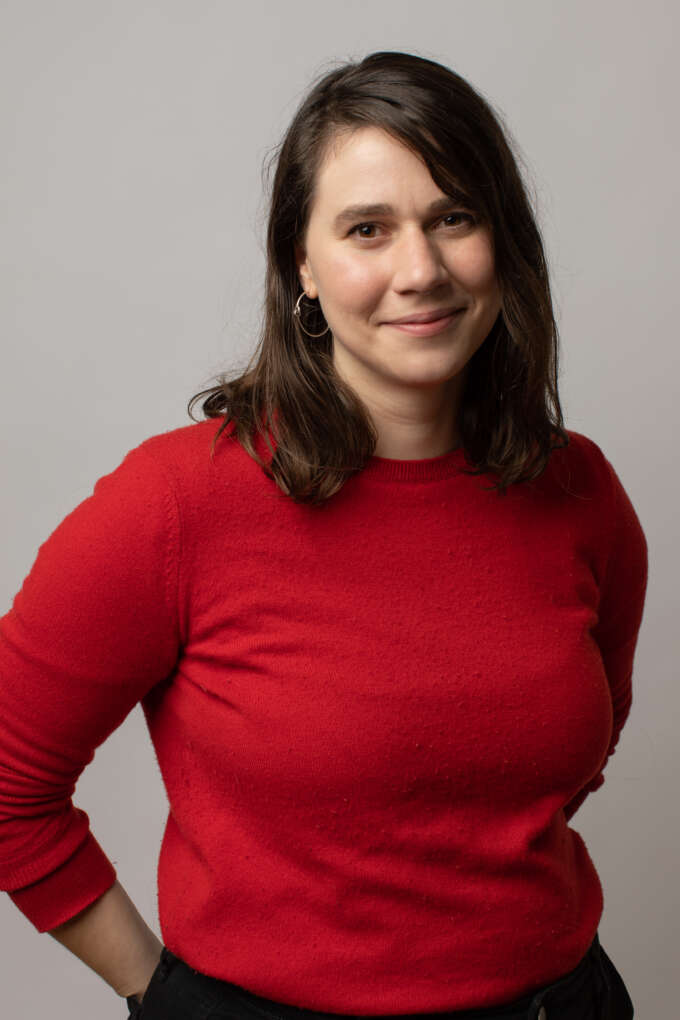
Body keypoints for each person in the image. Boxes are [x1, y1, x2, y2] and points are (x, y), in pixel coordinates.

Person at [0, 50, 646, 1020]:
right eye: (366, 230)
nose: (418, 270)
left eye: (453, 219)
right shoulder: (176, 504)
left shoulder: (579, 490)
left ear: (500, 245)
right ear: (300, 264)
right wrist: (161, 999)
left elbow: (564, 764)